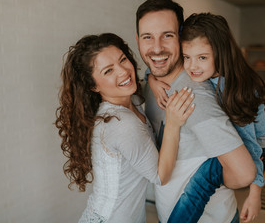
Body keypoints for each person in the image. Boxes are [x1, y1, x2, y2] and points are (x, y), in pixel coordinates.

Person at [136, 0, 257, 223]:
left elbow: (243, 174)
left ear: (181, 37)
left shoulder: (192, 96)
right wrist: (151, 78)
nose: (156, 47)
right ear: (138, 40)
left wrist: (206, 179)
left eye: (167, 35)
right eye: (147, 37)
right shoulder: (155, 78)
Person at [55, 33, 195, 223]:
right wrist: (173, 123)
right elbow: (160, 176)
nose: (123, 71)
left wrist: (153, 81)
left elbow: (144, 81)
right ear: (93, 86)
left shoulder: (132, 100)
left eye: (123, 59)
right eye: (108, 71)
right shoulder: (120, 123)